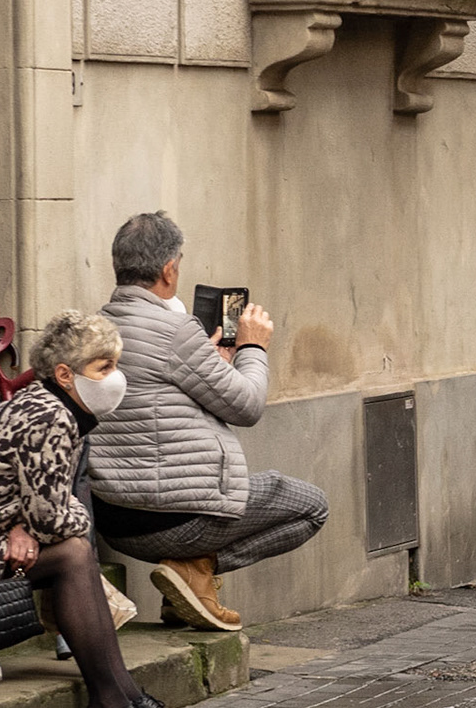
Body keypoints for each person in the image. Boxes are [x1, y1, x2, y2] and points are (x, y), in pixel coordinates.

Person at [0, 311, 192, 708]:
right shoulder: (51, 417)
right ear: (66, 375)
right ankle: (113, 704)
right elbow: (51, 516)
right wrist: (42, 521)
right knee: (72, 552)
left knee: (73, 551)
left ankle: (123, 698)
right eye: (103, 368)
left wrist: (27, 522)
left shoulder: (45, 406)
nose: (115, 378)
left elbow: (32, 503)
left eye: (115, 365)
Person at [89, 213, 327, 632]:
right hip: (179, 522)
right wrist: (253, 347)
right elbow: (248, 406)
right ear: (169, 269)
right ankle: (194, 569)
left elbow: (159, 394)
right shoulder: (177, 330)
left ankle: (187, 584)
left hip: (115, 524)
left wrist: (213, 365)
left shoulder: (95, 329)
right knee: (311, 506)